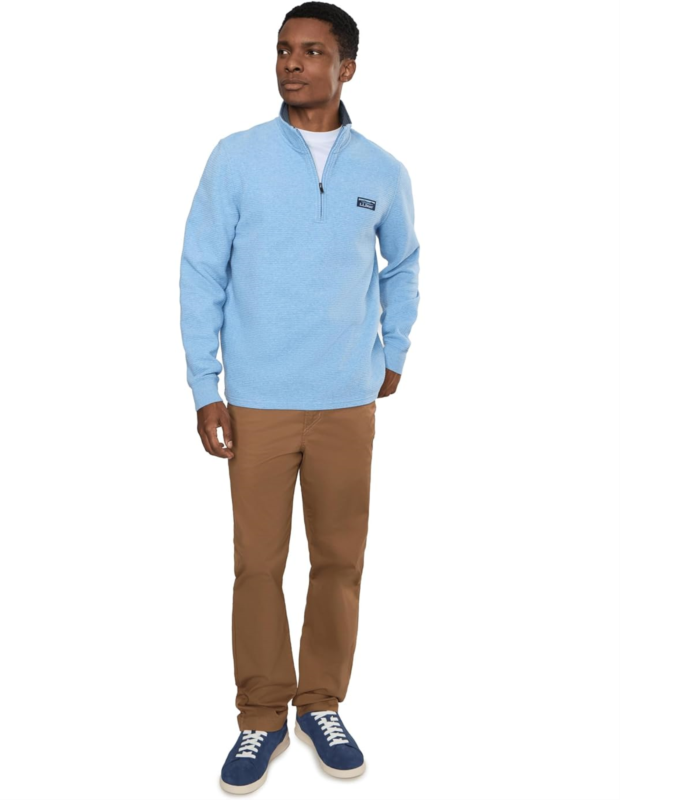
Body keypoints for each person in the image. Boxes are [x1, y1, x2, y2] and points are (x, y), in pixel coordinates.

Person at [178, 2, 421, 793]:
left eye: (313, 51)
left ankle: (321, 703)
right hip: (257, 399)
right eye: (285, 49)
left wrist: (394, 350)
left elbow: (404, 264)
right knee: (257, 564)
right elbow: (200, 271)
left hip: (348, 400)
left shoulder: (381, 170)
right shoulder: (237, 158)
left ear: (347, 67)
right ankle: (261, 716)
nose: (293, 62)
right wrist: (206, 385)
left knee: (339, 561)